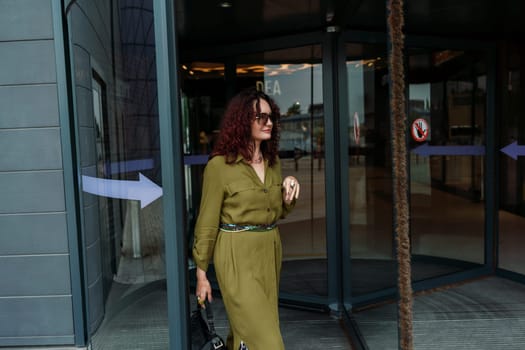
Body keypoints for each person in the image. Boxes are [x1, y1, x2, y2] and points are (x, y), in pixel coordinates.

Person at [192, 87, 300, 350]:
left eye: (271, 116)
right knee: (269, 342)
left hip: (269, 251)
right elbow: (207, 221)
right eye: (261, 117)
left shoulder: (272, 163)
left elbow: (277, 212)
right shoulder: (219, 167)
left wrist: (289, 188)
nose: (269, 122)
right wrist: (201, 273)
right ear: (243, 121)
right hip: (236, 254)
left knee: (248, 331)